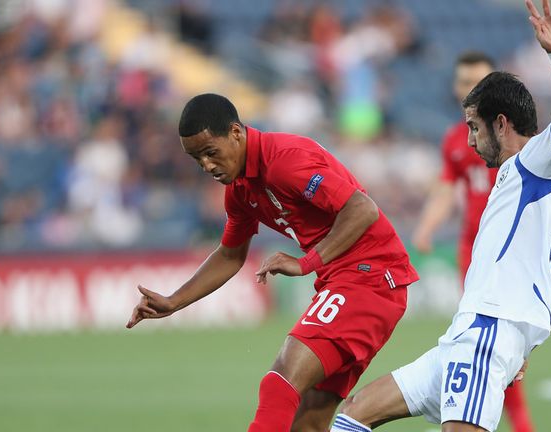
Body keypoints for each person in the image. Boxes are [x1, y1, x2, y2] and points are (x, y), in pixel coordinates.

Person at [330, 1, 551, 431]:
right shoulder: (540, 205)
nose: (469, 141)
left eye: (474, 126)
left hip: (486, 331)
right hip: (463, 339)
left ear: (501, 124)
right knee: (354, 414)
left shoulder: (537, 164)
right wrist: (523, 350)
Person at [125, 93, 418, 431]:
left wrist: (307, 262)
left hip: (371, 278)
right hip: (350, 282)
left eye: (210, 153)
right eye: (197, 159)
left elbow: (362, 209)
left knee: (280, 381)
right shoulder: (239, 190)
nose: (206, 166)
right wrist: (174, 301)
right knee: (307, 424)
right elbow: (230, 255)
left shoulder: (284, 162)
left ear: (235, 132)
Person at [411, 52, 537, 432]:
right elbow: (447, 189)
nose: (468, 88)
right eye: (464, 82)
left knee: (500, 342)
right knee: (484, 342)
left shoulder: (514, 138)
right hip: (475, 252)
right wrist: (427, 227)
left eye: (476, 81)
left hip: (515, 249)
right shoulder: (458, 141)